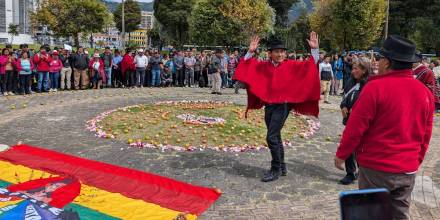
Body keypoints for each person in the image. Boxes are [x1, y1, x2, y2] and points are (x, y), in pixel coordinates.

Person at [335, 35, 435, 219]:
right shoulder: (425, 93)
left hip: (376, 167)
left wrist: (341, 154)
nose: (377, 63)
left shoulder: (375, 88)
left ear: (387, 62)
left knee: (371, 215)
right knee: (399, 215)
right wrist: (415, 160)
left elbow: (355, 127)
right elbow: (426, 135)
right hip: (407, 168)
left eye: (379, 59)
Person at [234, 32, 320, 182]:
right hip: (270, 105)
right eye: (277, 51)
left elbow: (311, 65)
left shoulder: (291, 65)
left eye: (282, 51)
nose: (280, 54)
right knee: (276, 136)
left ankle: (275, 169)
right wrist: (250, 52)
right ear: (270, 53)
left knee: (271, 137)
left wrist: (314, 50)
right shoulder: (263, 66)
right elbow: (246, 66)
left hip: (283, 106)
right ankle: (282, 166)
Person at [338, 57, 372, 185]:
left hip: (362, 122)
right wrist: (343, 106)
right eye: (353, 68)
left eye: (356, 68)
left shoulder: (369, 84)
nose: (353, 71)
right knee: (349, 144)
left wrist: (357, 110)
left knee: (361, 147)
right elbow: (345, 96)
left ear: (364, 70)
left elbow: (368, 103)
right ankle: (350, 173)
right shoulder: (350, 81)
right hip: (350, 120)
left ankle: (362, 170)